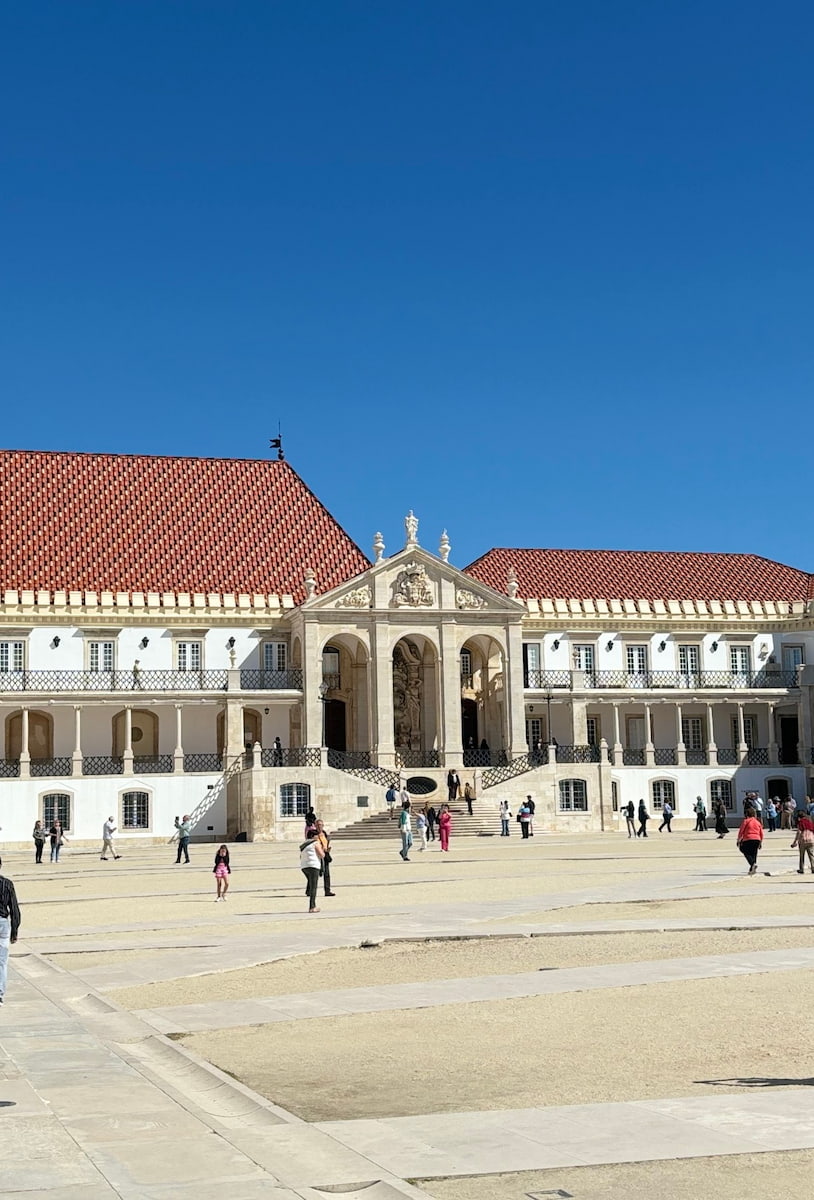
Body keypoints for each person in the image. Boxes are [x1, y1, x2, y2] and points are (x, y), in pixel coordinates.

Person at [0, 858, 21, 1005]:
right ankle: (0, 994)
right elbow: (14, 909)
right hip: (3, 924)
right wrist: (15, 931)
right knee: (2, 962)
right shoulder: (7, 884)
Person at [300, 829, 325, 913]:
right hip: (313, 866)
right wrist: (324, 849)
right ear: (313, 836)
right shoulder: (315, 843)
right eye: (317, 836)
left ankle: (311, 902)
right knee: (314, 887)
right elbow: (321, 854)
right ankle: (312, 906)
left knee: (311, 884)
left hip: (304, 866)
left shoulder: (304, 844)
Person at [737, 806, 763, 875]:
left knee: (745, 851)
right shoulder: (758, 822)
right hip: (757, 839)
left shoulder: (746, 821)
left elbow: (741, 831)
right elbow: (761, 833)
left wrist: (739, 840)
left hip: (748, 838)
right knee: (754, 853)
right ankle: (752, 868)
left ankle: (752, 864)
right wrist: (760, 842)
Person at [315, 819, 336, 896]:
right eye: (317, 825)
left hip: (325, 855)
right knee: (315, 874)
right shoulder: (312, 834)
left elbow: (326, 842)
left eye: (320, 825)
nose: (319, 827)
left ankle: (327, 890)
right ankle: (309, 890)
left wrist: (327, 848)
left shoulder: (324, 833)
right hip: (316, 856)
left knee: (326, 873)